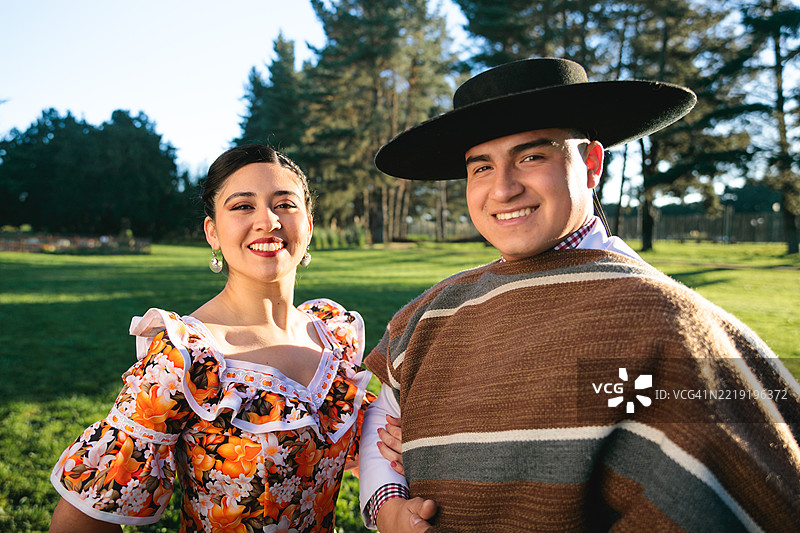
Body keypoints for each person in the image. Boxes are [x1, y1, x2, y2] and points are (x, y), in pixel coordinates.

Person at [358, 58, 800, 532]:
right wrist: (387, 505)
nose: (503, 189)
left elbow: (718, 480)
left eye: (531, 157)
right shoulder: (436, 311)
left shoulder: (657, 321)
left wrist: (455, 444)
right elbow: (385, 413)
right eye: (481, 167)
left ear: (591, 163)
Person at [49, 144, 374, 532]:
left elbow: (363, 452)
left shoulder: (335, 336)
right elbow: (83, 517)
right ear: (212, 232)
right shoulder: (186, 356)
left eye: (285, 204)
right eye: (242, 206)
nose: (268, 221)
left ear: (308, 224)